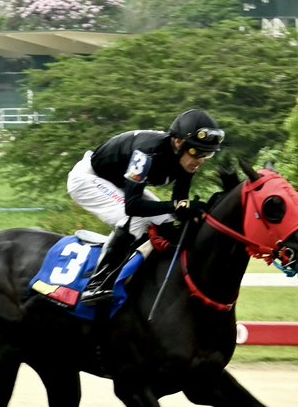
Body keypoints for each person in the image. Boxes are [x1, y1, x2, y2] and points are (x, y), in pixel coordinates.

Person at [66, 108, 225, 306]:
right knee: (134, 220)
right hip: (88, 179)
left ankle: (147, 278)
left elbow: (179, 204)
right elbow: (133, 207)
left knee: (169, 220)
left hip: (120, 182)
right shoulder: (146, 153)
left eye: (207, 155)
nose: (200, 161)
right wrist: (177, 207)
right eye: (197, 152)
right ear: (178, 142)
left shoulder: (186, 160)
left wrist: (192, 212)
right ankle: (96, 284)